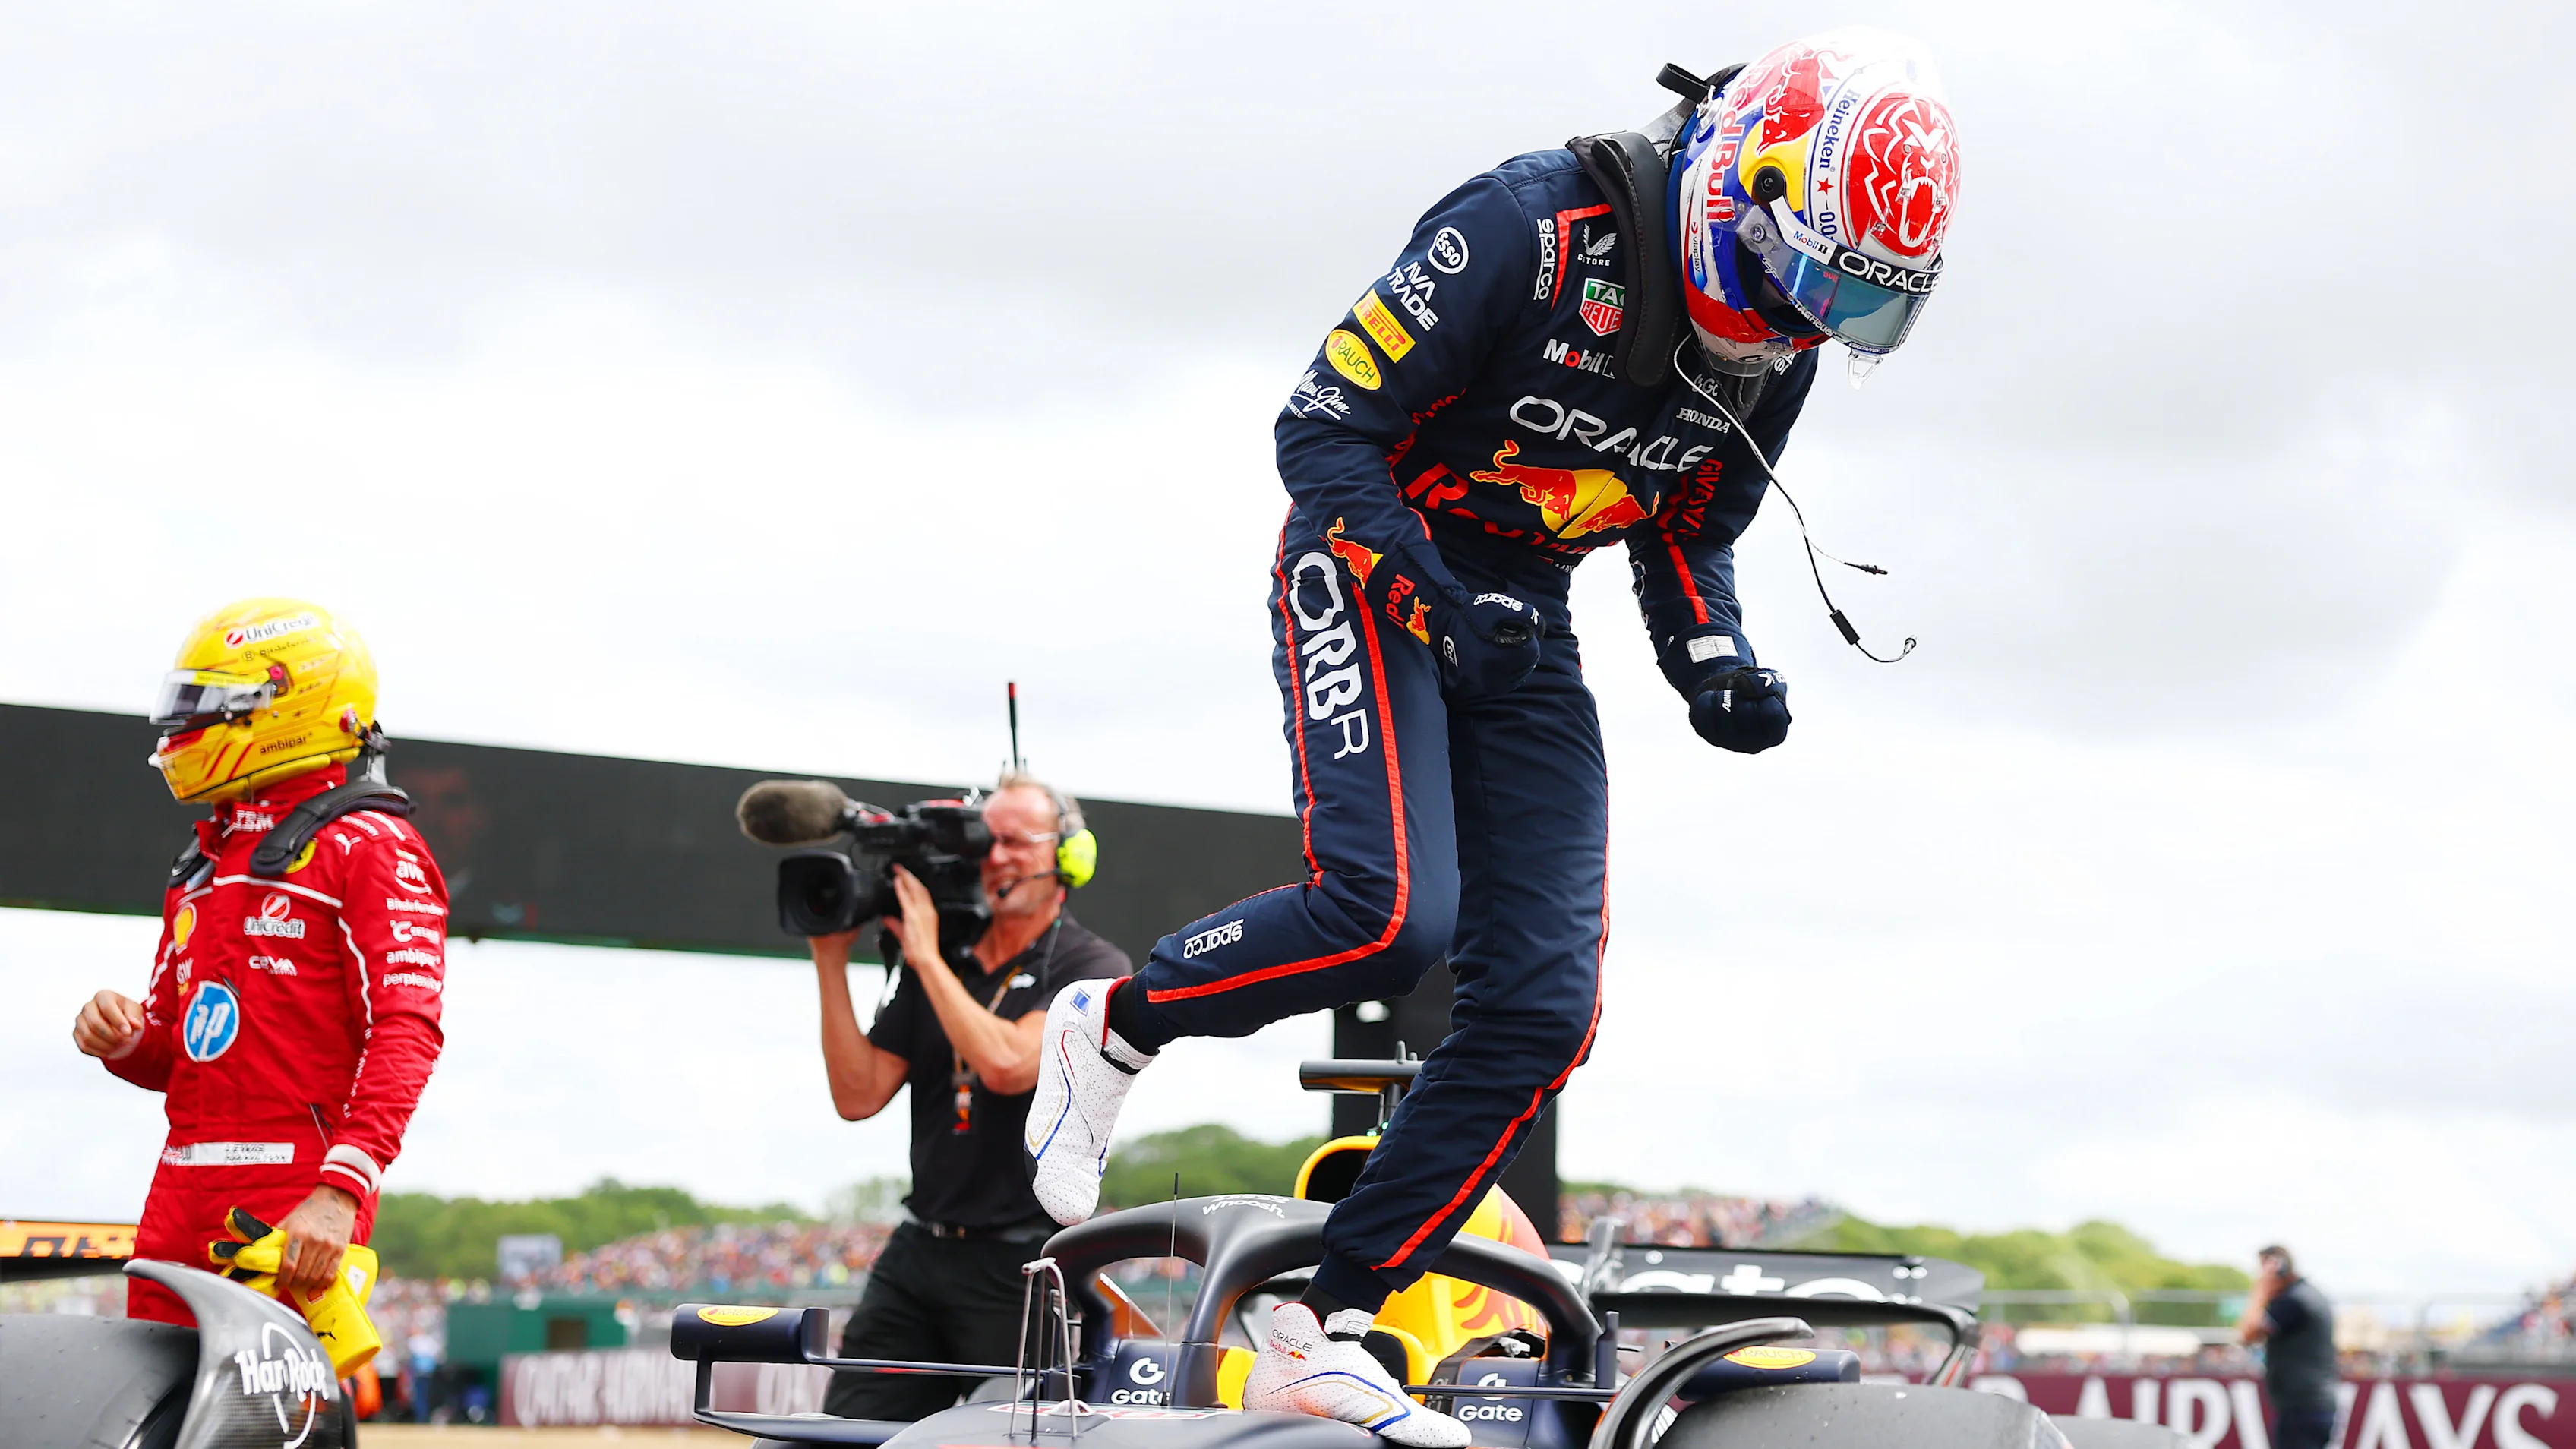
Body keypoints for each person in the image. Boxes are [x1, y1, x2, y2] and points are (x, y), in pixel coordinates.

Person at [1024, 30, 1961, 1445]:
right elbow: (1320, 429)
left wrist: (1715, 653)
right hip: (1366, 553)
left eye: (1854, 307)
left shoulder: (1783, 350)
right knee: (1390, 914)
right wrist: (1433, 600)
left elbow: (1687, 525)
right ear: (1736, 188)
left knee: (1539, 1006)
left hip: (1521, 607)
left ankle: (1325, 1324)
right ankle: (1115, 1022)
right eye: (1810, 281)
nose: (1809, 325)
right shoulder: (1522, 227)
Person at [70, 598, 447, 1327]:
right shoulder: (202, 858)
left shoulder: (370, 844)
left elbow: (407, 1031)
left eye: (207, 708)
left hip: (294, 1196)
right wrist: (126, 1040)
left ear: (286, 706)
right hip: (177, 1191)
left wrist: (341, 1193)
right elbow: (179, 1054)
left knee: (267, 1431)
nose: (183, 730)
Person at [808, 773, 1130, 1421]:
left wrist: (925, 957)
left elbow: (1009, 1064)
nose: (997, 857)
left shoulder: (1093, 965)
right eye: (987, 842)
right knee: (837, 1433)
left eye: (1016, 841)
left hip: (1024, 1262)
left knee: (1015, 1439)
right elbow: (858, 1093)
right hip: (919, 1249)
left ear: (1068, 856)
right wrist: (830, 959)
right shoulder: (947, 960)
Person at [2241, 1245, 2338, 1449]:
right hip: (2313, 1403)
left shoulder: (2293, 1302)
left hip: (2301, 1406)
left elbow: (2247, 1333)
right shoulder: (2309, 1296)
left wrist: (2261, 1291)